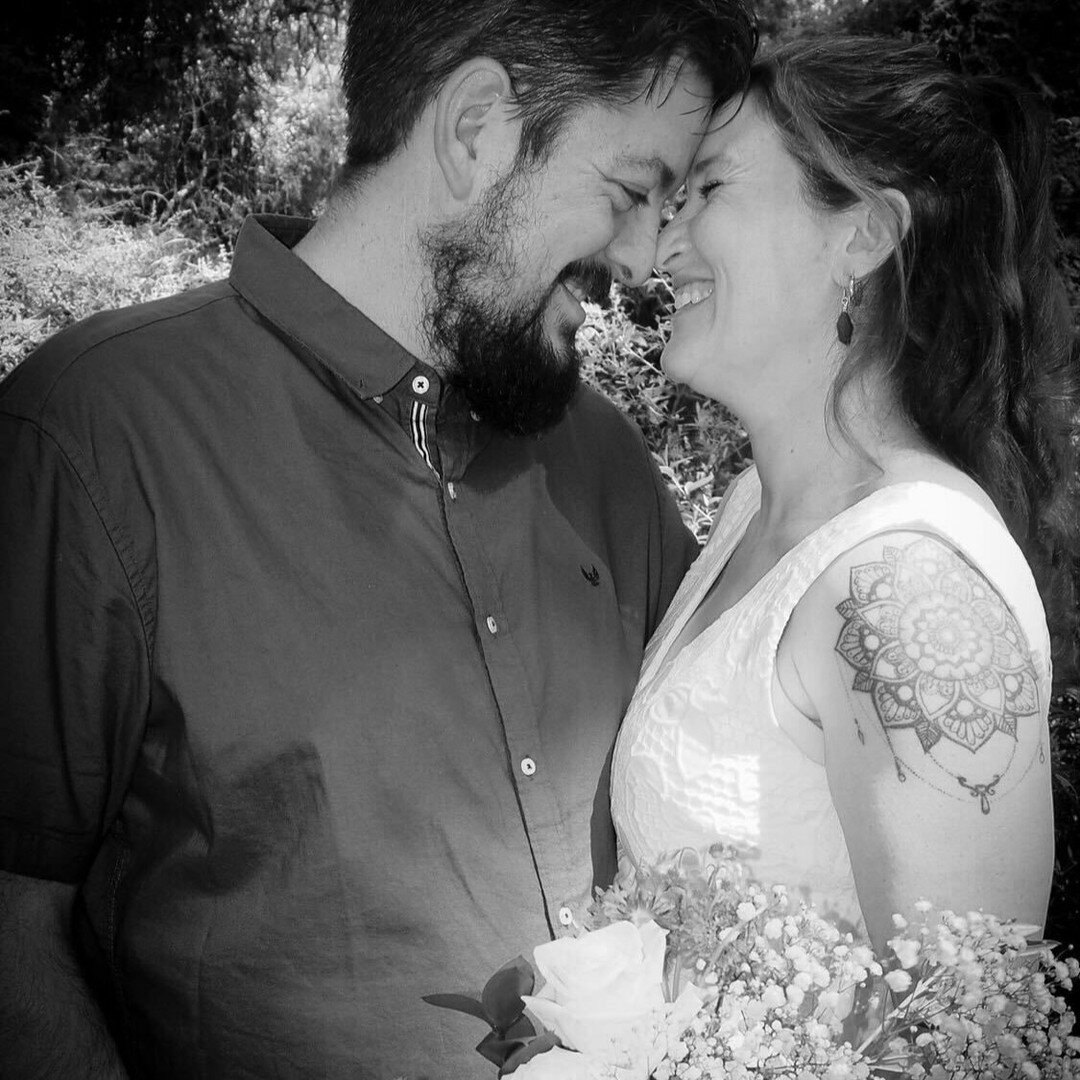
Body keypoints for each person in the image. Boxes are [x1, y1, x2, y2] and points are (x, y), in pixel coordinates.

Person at [0, 2, 759, 1077]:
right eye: (631, 194)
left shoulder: (605, 462)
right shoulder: (88, 436)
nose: (642, 258)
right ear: (476, 129)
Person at [612, 35, 1079, 954]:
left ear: (862, 235)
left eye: (708, 190)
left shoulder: (909, 590)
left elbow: (965, 1039)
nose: (664, 239)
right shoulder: (757, 506)